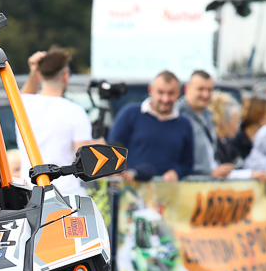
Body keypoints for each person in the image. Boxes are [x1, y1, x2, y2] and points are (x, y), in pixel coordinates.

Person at [15, 48, 95, 195]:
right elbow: (85, 160)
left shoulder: (24, 105)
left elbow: (24, 94)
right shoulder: (75, 111)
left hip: (30, 192)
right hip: (66, 193)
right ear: (65, 75)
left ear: (39, 76)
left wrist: (34, 70)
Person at [108, 70, 193, 182]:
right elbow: (112, 150)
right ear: (150, 91)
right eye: (161, 93)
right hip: (130, 191)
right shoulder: (130, 114)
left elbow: (188, 163)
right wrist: (124, 173)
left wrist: (177, 172)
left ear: (179, 93)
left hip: (168, 194)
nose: (165, 99)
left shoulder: (184, 124)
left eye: (171, 93)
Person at [175, 70, 233, 179]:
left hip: (207, 187)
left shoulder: (207, 116)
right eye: (200, 89)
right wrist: (208, 174)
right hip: (189, 188)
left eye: (209, 90)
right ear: (187, 89)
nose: (205, 95)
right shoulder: (177, 117)